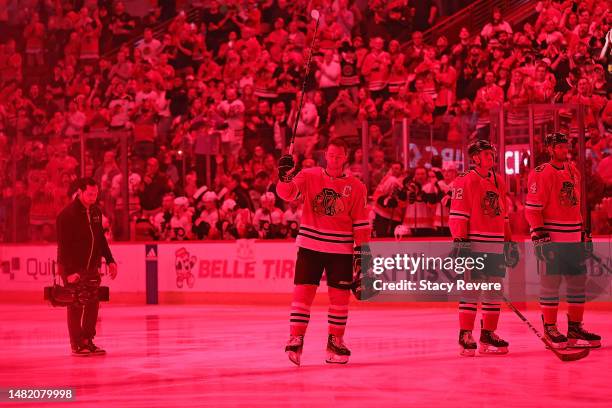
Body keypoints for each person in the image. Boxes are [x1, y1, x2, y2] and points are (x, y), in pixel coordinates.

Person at [277, 139, 371, 365]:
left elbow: (361, 222)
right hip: (310, 244)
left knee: (339, 299)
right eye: (331, 155)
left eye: (339, 156)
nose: (334, 159)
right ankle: (296, 337)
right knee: (303, 294)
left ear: (345, 157)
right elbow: (287, 194)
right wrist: (284, 176)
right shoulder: (309, 175)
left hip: (341, 248)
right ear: (325, 155)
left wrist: (362, 255)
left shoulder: (357, 187)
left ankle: (335, 340)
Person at [525, 132, 601, 349]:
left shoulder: (572, 170)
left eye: (565, 145)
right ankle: (550, 327)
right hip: (553, 238)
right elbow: (532, 210)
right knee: (551, 284)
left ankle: (575, 327)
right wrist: (539, 233)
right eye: (559, 146)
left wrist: (583, 231)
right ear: (550, 149)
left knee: (577, 284)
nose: (563, 149)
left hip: (573, 237)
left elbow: (576, 205)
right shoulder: (541, 173)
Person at [449, 140, 516, 356]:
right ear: (475, 157)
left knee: (494, 291)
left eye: (492, 153)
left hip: (496, 242)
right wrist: (461, 242)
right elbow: (458, 214)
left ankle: (488, 333)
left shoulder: (498, 180)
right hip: (475, 242)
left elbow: (503, 214)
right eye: (486, 153)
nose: (491, 156)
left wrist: (509, 241)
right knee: (472, 288)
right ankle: (465, 334)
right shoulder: (465, 180)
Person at [56, 178, 118, 356]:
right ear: (80, 192)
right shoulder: (67, 215)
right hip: (73, 268)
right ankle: (76, 343)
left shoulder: (96, 212)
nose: (93, 196)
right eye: (90, 194)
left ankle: (87, 340)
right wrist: (68, 272)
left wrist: (110, 260)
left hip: (91, 267)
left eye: (96, 193)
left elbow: (100, 239)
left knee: (92, 303)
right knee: (76, 304)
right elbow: (63, 246)